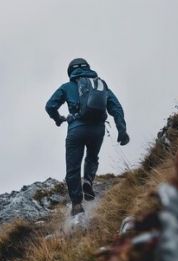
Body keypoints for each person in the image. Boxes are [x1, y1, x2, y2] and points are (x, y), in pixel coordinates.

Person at [45, 58, 129, 216]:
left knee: (73, 167)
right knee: (92, 157)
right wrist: (122, 130)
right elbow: (116, 108)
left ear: (70, 71)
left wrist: (58, 119)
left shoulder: (67, 87)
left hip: (76, 130)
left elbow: (50, 106)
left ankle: (77, 205)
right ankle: (88, 181)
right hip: (97, 130)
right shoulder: (101, 86)